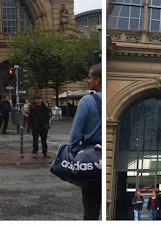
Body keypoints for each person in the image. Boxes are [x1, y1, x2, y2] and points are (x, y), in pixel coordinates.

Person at [68, 63, 102, 220]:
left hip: (91, 161)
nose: (88, 81)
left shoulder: (87, 101)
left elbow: (75, 135)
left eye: (90, 77)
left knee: (91, 211)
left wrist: (72, 155)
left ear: (98, 80)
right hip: (112, 159)